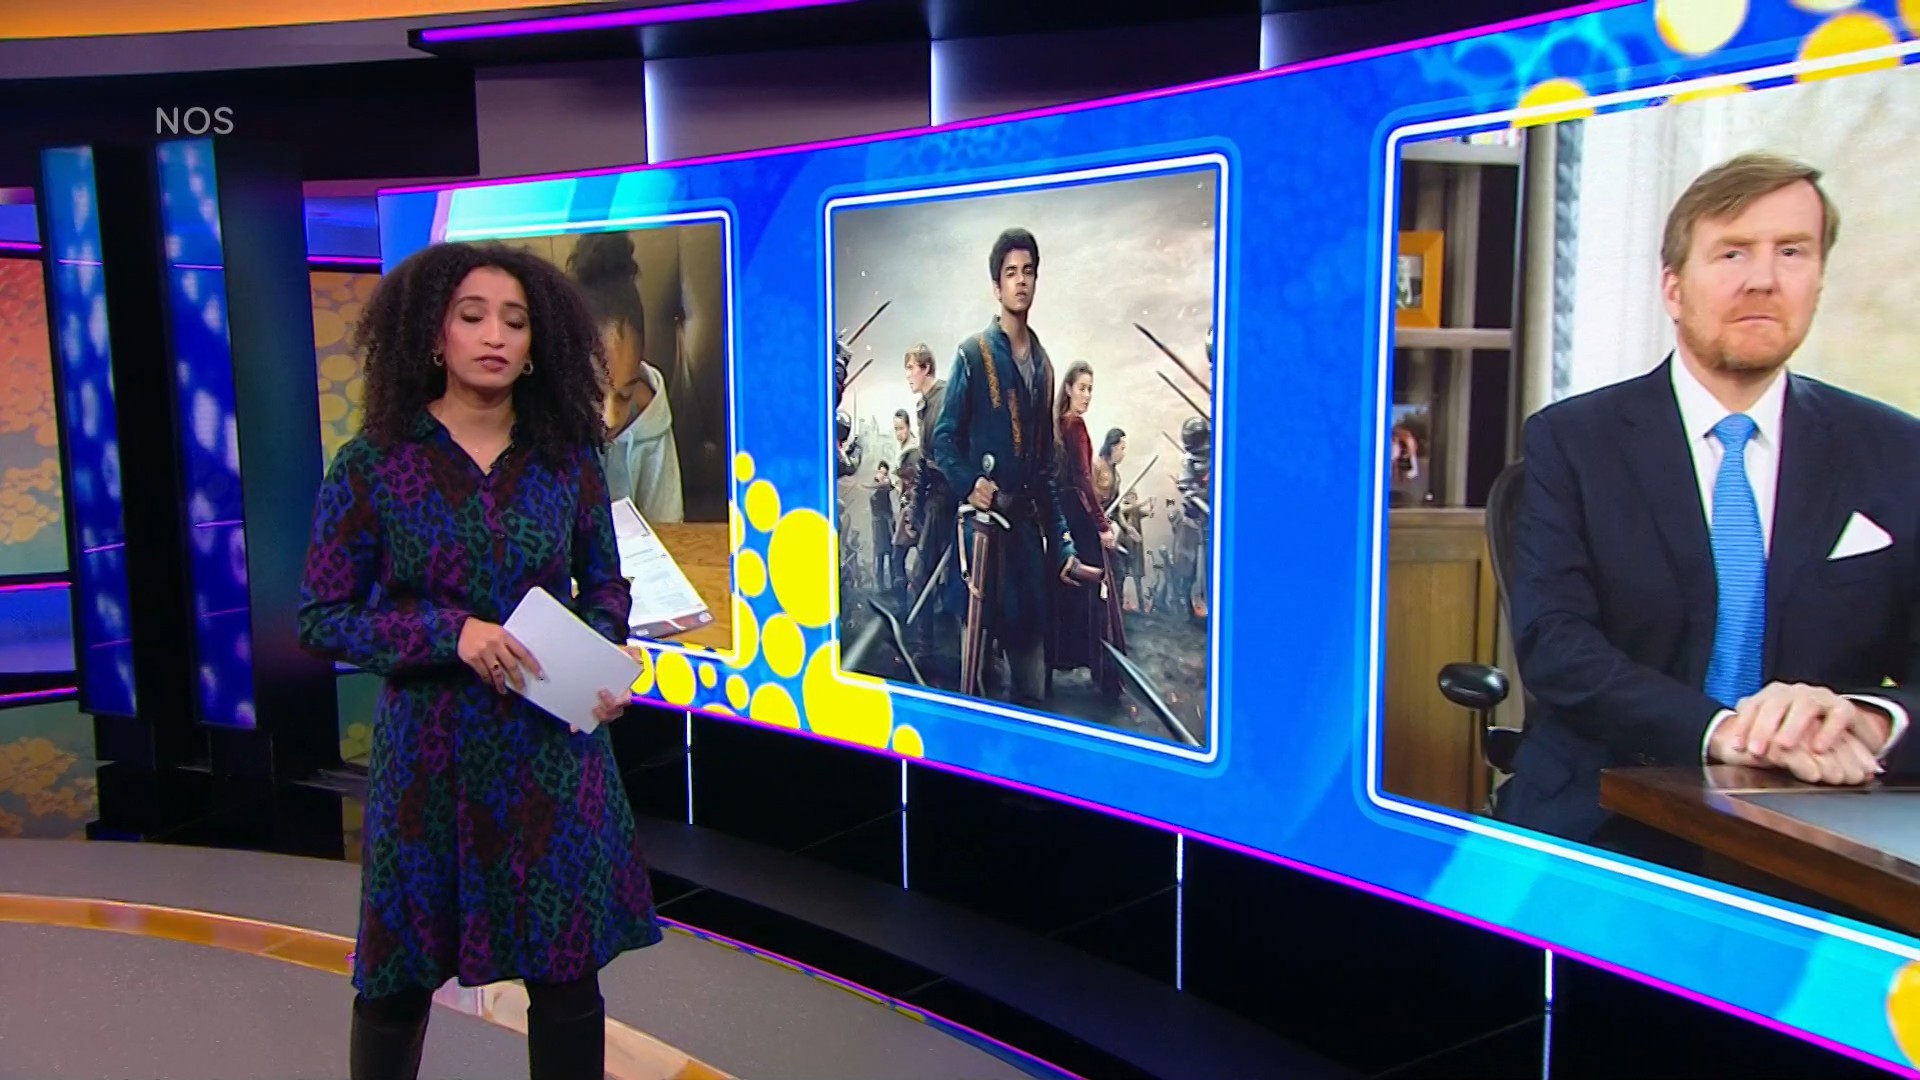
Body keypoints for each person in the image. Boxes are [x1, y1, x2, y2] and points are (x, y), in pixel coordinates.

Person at [298, 241, 661, 1080]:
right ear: (434, 335)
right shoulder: (373, 464)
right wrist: (449, 633)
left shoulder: (567, 457)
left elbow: (606, 583)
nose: (495, 335)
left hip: (550, 753)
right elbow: (321, 618)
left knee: (566, 981)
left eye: (515, 321)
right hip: (429, 763)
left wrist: (604, 649)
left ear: (537, 345)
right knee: (395, 981)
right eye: (472, 316)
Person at [1500, 152, 1918, 860]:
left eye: (1792, 251)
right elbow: (1556, 646)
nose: (1763, 278)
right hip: (1605, 808)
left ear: (1818, 280)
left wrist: (1869, 720)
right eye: (1732, 252)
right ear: (1673, 287)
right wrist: (1727, 732)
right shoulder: (1574, 440)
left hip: (1824, 815)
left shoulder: (1897, 449)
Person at [930, 228, 1088, 705]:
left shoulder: (1045, 367)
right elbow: (943, 439)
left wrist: (1062, 545)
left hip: (1023, 542)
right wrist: (969, 483)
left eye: (1028, 272)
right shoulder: (971, 355)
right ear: (997, 286)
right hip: (980, 538)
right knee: (973, 682)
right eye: (1011, 273)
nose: (1021, 281)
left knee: (1031, 685)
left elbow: (1045, 473)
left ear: (1036, 281)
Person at [567, 231, 685, 524]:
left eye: (624, 395)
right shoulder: (544, 411)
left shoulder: (649, 416)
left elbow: (668, 526)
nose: (610, 417)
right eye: (595, 392)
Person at [1049, 364, 1126, 698]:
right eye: (1082, 388)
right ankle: (1104, 675)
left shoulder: (1057, 424)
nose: (1087, 395)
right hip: (1079, 518)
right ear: (1068, 388)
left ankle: (1061, 663)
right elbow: (1082, 480)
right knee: (1098, 593)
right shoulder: (1074, 425)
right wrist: (1103, 525)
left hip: (1063, 518)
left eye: (1090, 389)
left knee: (1068, 594)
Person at [889, 408, 920, 595]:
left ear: (908, 427)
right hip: (907, 507)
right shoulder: (902, 450)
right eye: (896, 429)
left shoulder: (913, 452)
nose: (899, 433)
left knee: (898, 554)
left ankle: (902, 599)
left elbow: (914, 483)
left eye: (901, 428)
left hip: (913, 509)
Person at [868, 461, 896, 591]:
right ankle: (880, 585)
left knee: (891, 553)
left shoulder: (887, 486)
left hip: (888, 524)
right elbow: (873, 489)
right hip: (879, 525)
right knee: (879, 554)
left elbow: (889, 486)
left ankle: (893, 584)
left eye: (885, 472)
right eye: (881, 471)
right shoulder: (874, 489)